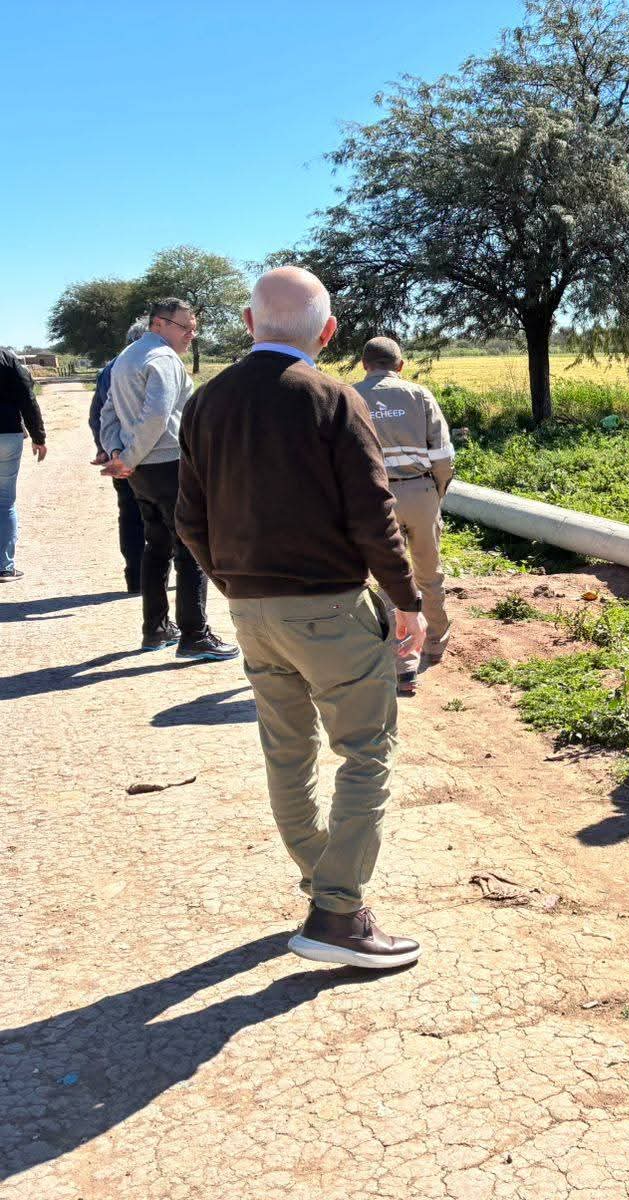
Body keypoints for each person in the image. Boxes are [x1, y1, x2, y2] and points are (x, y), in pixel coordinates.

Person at [177, 266, 426, 970]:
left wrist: (233, 582)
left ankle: (325, 888)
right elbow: (374, 517)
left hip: (251, 611)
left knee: (287, 755)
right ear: (327, 332)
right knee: (365, 752)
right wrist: (408, 601)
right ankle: (338, 913)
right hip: (330, 609)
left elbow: (188, 517)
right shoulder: (333, 398)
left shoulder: (206, 403)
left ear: (251, 326)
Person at [102, 299, 237, 659]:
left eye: (194, 328)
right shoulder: (162, 359)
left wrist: (118, 454)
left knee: (156, 545)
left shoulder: (127, 357)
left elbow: (109, 410)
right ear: (159, 324)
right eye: (185, 327)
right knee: (191, 547)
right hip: (168, 464)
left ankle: (156, 628)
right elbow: (157, 417)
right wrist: (125, 457)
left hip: (141, 472)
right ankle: (194, 635)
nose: (191, 335)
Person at [352, 337, 455, 697]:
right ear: (401, 365)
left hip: (375, 499)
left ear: (364, 365)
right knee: (429, 571)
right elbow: (443, 455)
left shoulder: (349, 396)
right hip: (421, 492)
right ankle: (434, 644)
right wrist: (434, 492)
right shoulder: (419, 395)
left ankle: (398, 660)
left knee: (386, 575)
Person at [89, 321, 148, 593]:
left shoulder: (108, 370)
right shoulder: (156, 363)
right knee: (167, 516)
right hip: (154, 455)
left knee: (129, 514)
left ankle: (135, 577)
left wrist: (104, 448)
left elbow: (98, 414)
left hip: (120, 453)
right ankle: (164, 575)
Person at [0, 346, 46, 581]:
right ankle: (4, 567)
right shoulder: (7, 358)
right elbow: (27, 397)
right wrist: (38, 437)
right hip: (7, 433)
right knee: (5, 502)